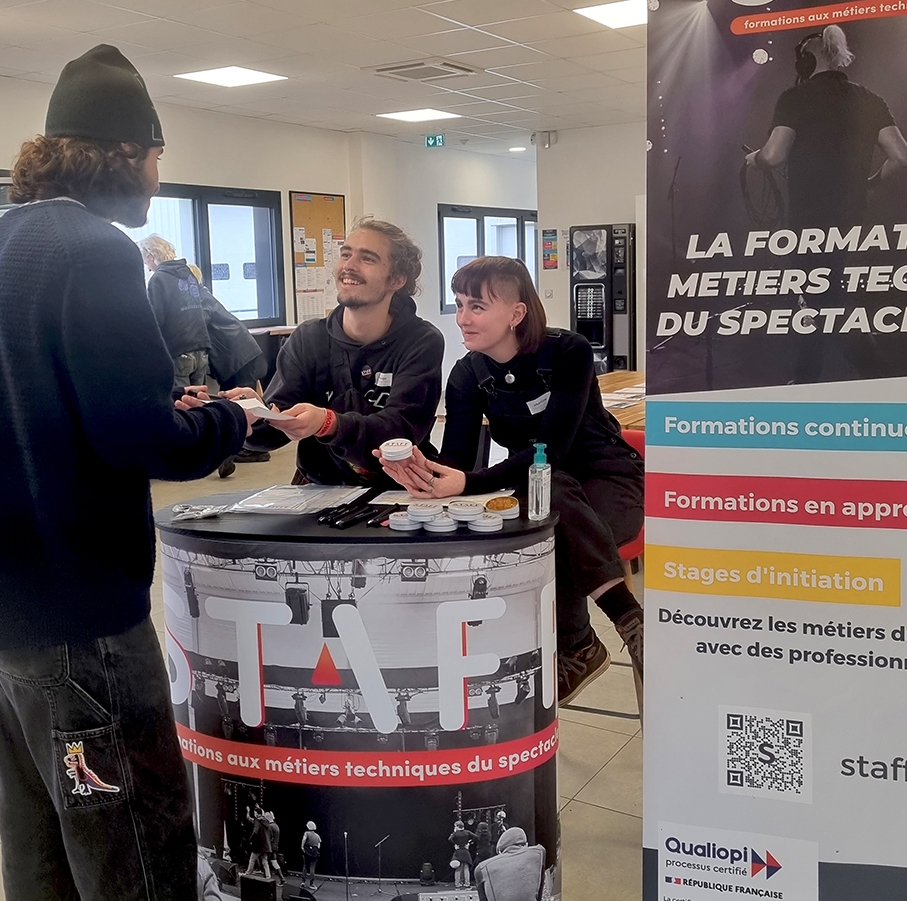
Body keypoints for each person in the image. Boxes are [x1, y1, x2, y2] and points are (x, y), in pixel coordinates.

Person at [0, 44, 255, 901]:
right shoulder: (93, 249)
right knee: (134, 841)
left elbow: (44, 400)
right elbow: (144, 441)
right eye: (156, 158)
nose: (155, 179)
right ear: (126, 153)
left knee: (39, 840)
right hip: (83, 623)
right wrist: (230, 417)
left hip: (5, 613)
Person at [378, 257, 644, 706]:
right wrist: (423, 470)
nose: (462, 318)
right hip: (540, 487)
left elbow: (549, 451)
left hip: (607, 478)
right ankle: (621, 629)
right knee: (546, 506)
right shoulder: (467, 375)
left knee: (550, 519)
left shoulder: (569, 351)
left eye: (477, 306)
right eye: (459, 304)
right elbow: (460, 460)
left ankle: (587, 641)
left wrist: (466, 483)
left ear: (517, 313)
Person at [235, 218, 445, 486]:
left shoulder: (421, 342)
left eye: (367, 258)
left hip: (399, 488)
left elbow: (398, 433)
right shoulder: (309, 338)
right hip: (321, 488)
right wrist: (250, 415)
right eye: (346, 254)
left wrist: (329, 424)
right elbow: (272, 432)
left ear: (396, 280)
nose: (349, 266)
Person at [745, 25, 907, 233]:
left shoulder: (794, 98)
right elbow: (902, 157)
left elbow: (772, 156)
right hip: (854, 218)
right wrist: (868, 185)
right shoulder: (869, 98)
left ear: (805, 62)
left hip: (808, 220)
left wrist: (757, 159)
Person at [188, 263, 268, 478]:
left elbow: (199, 324)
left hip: (238, 356)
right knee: (235, 405)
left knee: (239, 405)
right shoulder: (202, 296)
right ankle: (235, 452)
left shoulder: (198, 298)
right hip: (239, 355)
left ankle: (243, 451)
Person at [139, 234, 213, 389]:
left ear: (151, 256)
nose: (147, 267)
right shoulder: (189, 274)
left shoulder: (158, 279)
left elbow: (155, 320)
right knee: (200, 399)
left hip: (179, 351)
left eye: (145, 260)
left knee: (182, 401)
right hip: (201, 348)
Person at [474, 827, 547, 901]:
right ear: (526, 845)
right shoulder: (539, 853)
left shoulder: (481, 869)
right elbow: (539, 895)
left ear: (500, 852)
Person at [245, 805, 272, 879]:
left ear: (257, 814)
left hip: (258, 845)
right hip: (266, 845)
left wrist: (250, 839)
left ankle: (248, 873)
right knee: (265, 861)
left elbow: (255, 832)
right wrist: (258, 808)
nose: (254, 814)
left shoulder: (257, 821)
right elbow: (250, 819)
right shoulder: (265, 821)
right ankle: (268, 876)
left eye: (255, 813)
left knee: (252, 859)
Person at [449, 820, 477, 889]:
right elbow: (475, 837)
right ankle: (467, 883)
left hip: (458, 851)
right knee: (466, 868)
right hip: (465, 851)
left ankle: (457, 884)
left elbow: (449, 839)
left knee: (458, 868)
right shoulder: (467, 832)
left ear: (457, 826)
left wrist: (455, 844)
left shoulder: (455, 833)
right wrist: (469, 843)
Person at [301, 820, 322, 889]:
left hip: (307, 852)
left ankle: (303, 882)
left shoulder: (306, 833)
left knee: (305, 867)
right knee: (312, 868)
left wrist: (302, 847)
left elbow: (304, 840)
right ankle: (311, 883)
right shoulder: (317, 836)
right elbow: (319, 846)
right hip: (314, 854)